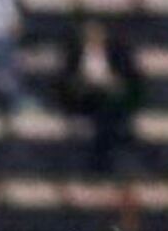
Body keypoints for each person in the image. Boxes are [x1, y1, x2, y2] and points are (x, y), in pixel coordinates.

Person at [59, 19, 142, 175]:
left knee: (107, 110)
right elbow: (65, 82)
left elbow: (130, 80)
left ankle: (101, 163)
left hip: (108, 99)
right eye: (90, 34)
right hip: (82, 99)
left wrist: (113, 84)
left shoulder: (117, 53)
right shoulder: (75, 53)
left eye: (97, 34)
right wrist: (83, 84)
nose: (94, 37)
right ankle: (100, 161)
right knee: (102, 110)